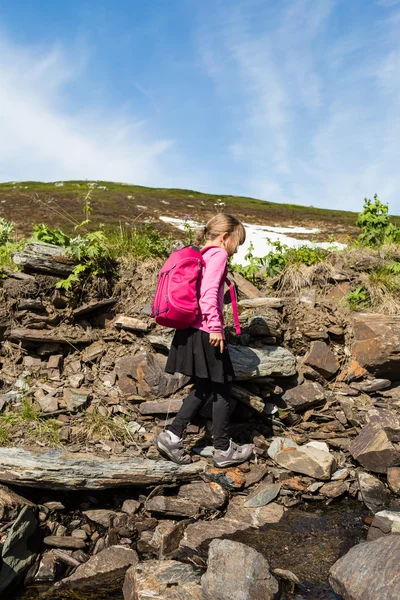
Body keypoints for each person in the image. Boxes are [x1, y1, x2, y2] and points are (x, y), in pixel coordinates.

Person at [155, 213, 254, 468]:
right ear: (225, 237)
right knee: (222, 389)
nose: (236, 249)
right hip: (206, 331)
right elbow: (208, 295)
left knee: (203, 387)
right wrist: (216, 328)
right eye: (237, 243)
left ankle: (172, 435)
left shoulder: (202, 254)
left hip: (190, 330)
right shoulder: (218, 255)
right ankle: (222, 450)